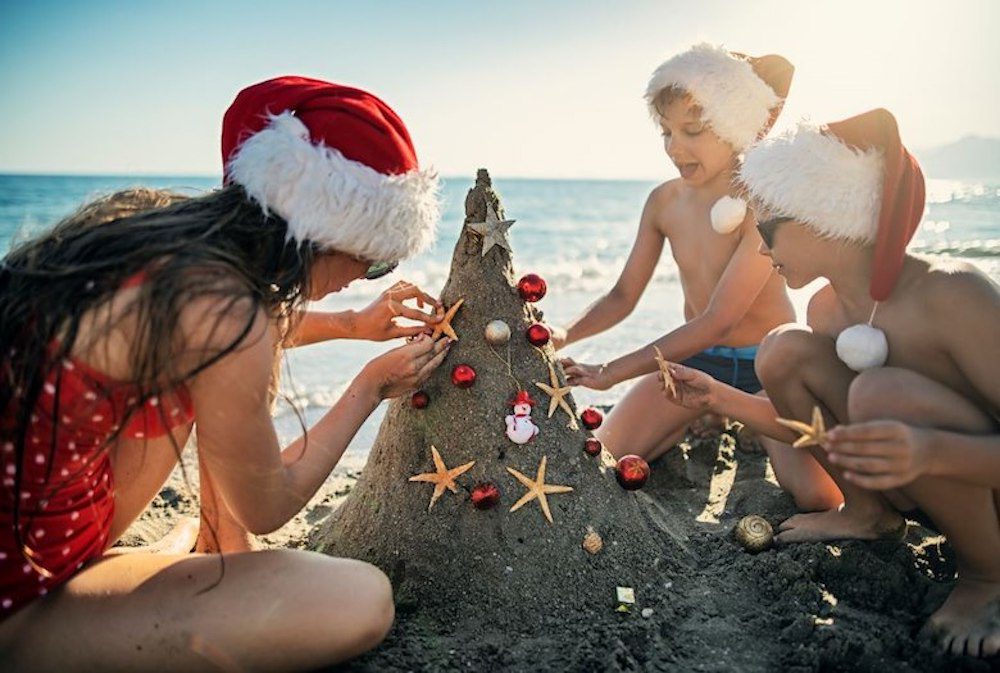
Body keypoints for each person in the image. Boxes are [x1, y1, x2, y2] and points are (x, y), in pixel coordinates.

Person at [0, 75, 448, 670]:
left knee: (201, 376)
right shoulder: (227, 315)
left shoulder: (160, 235)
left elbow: (240, 329)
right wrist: (370, 385)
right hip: (20, 601)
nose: (365, 274)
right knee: (362, 600)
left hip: (31, 534)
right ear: (325, 230)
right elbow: (270, 504)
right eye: (373, 258)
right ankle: (173, 571)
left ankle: (214, 547)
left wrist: (348, 324)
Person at [662, 108, 999, 658]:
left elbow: (886, 417)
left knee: (878, 393)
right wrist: (720, 398)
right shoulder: (827, 309)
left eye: (766, 229)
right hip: (915, 480)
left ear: (823, 219)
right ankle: (868, 512)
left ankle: (988, 577)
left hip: (985, 495)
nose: (760, 248)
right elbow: (834, 430)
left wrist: (931, 451)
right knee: (782, 351)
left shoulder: (951, 295)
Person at [556, 43, 805, 469]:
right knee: (607, 453)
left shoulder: (761, 202)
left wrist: (611, 371)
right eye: (667, 131)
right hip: (697, 362)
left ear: (735, 127)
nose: (674, 147)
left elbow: (720, 319)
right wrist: (564, 333)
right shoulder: (663, 204)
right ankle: (710, 411)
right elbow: (622, 296)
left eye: (692, 131)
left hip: (768, 364)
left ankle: (738, 413)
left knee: (809, 489)